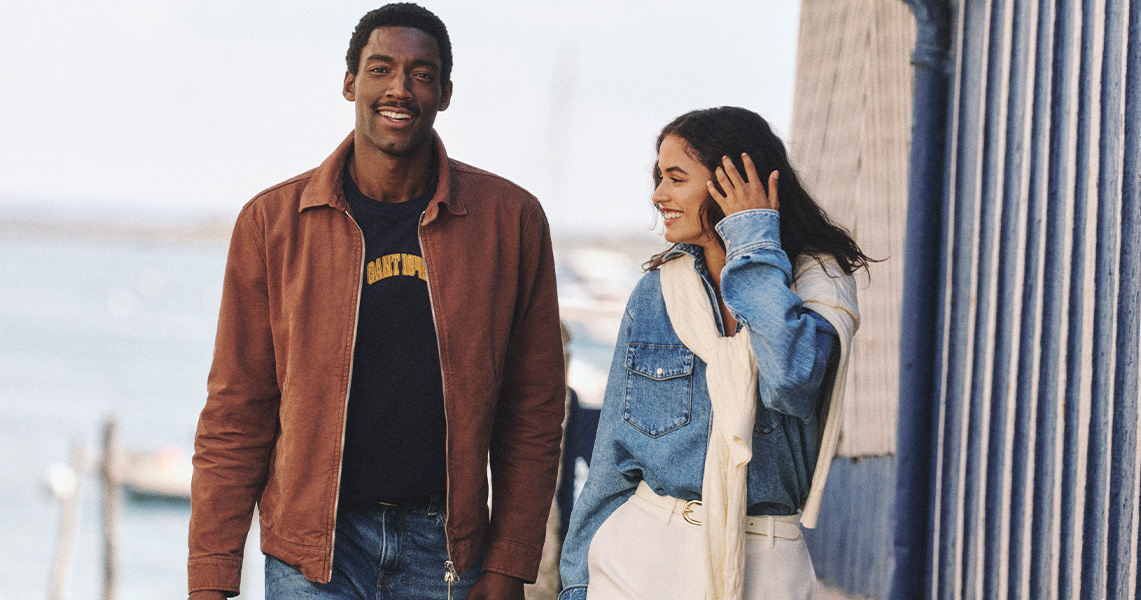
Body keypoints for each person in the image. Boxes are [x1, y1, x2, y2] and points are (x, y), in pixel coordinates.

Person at [187, 4, 565, 599]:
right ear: (349, 83)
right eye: (381, 68)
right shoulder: (274, 223)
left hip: (447, 553)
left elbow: (534, 411)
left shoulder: (510, 221)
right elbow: (237, 409)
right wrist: (211, 574)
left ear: (444, 92)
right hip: (312, 553)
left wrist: (507, 565)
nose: (400, 89)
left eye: (421, 74)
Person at [559, 106, 870, 600]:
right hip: (637, 555)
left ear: (731, 184)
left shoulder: (820, 284)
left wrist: (752, 239)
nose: (658, 195)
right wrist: (575, 584)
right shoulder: (656, 292)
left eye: (676, 178)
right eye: (659, 177)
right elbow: (611, 459)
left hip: (765, 563)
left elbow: (791, 380)